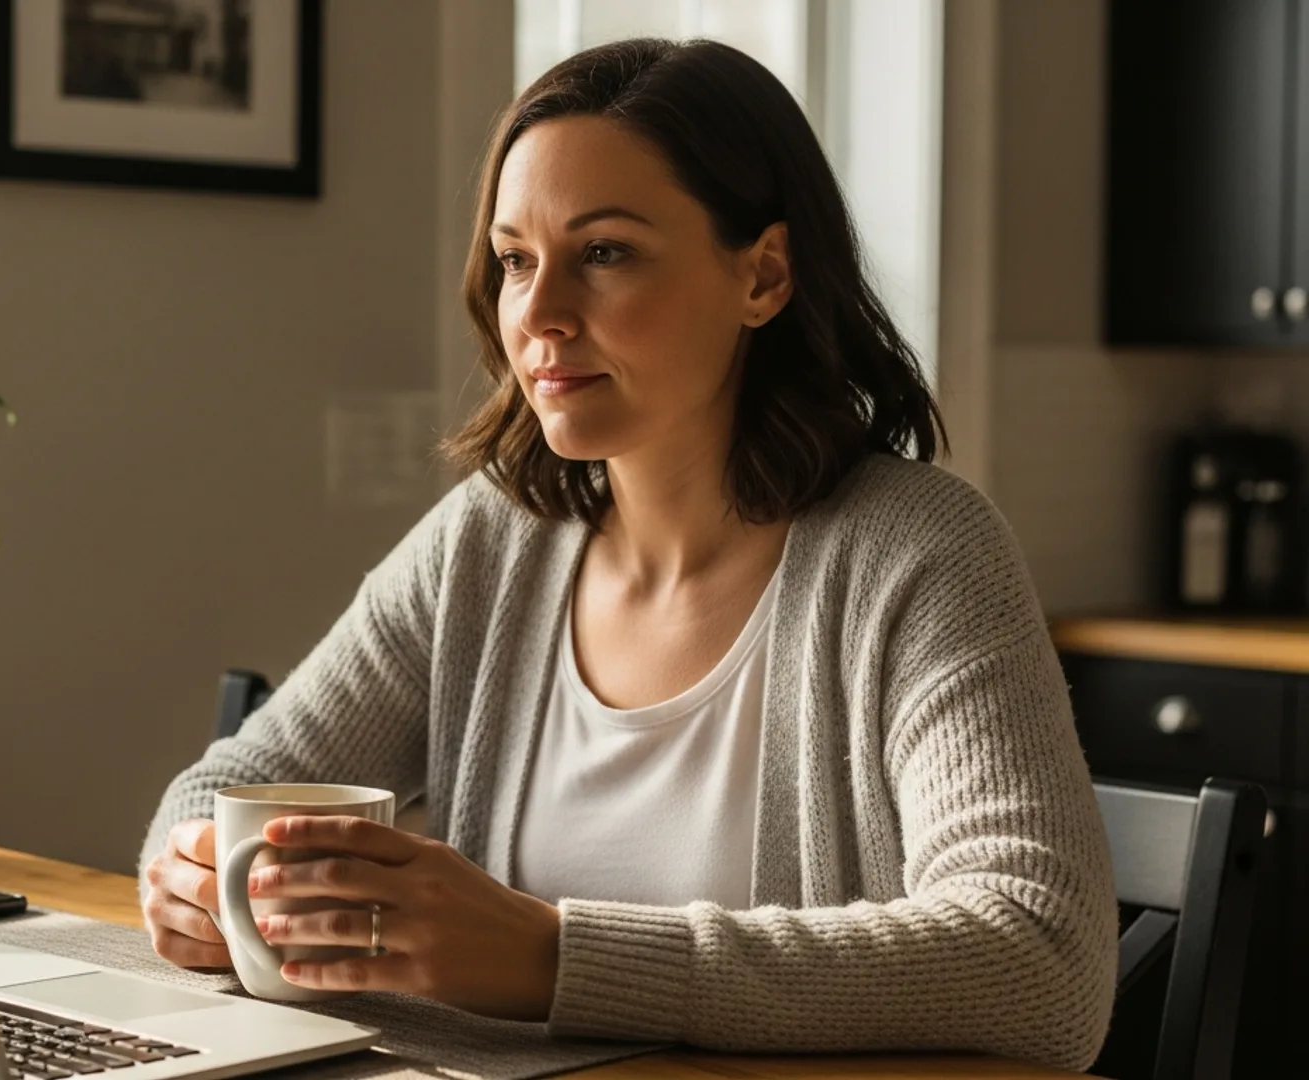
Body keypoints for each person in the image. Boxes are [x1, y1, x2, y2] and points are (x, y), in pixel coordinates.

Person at [137, 38, 1115, 1071]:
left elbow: (1042, 962)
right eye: (517, 260)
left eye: (604, 252)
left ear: (765, 275)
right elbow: (232, 786)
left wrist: (552, 958)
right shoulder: (490, 538)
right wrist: (194, 879)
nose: (540, 315)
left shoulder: (920, 555)